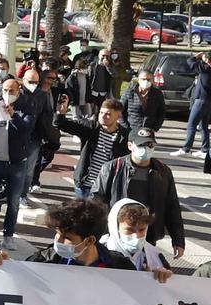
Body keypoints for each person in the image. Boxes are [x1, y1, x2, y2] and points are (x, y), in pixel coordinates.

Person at [87, 130, 186, 260]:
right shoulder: (113, 167)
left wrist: (178, 240)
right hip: (120, 232)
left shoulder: (163, 171)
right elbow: (96, 202)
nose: (145, 149)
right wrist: (91, 234)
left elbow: (172, 206)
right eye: (141, 145)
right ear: (130, 146)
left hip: (146, 233)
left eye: (150, 145)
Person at [0, 77, 35, 247]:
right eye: (5, 90)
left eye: (12, 91)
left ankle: (8, 235)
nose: (8, 94)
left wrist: (13, 116)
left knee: (13, 201)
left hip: (17, 163)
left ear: (19, 91)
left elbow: (26, 129)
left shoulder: (26, 108)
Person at [58, 98, 129, 200]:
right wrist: (61, 114)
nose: (103, 116)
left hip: (104, 187)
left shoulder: (124, 137)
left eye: (108, 114)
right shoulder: (91, 128)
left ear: (118, 116)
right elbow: (63, 125)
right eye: (101, 112)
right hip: (84, 185)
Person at [103, 199, 173, 280]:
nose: (136, 236)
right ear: (115, 228)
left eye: (141, 230)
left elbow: (170, 283)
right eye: (130, 230)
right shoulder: (99, 253)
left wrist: (164, 275)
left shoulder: (155, 256)